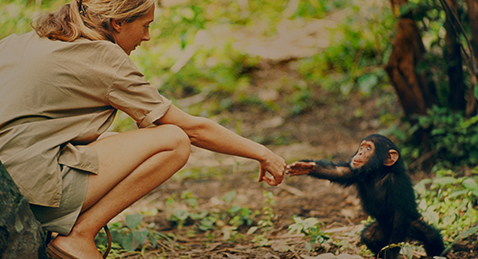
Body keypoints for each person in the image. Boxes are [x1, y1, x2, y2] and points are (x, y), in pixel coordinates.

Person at [0, 0, 286, 258]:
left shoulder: (19, 42)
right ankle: (79, 235)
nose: (147, 37)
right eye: (145, 26)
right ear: (118, 23)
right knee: (173, 140)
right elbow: (190, 128)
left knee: (110, 141)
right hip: (31, 191)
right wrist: (261, 153)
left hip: (8, 182)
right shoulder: (103, 56)